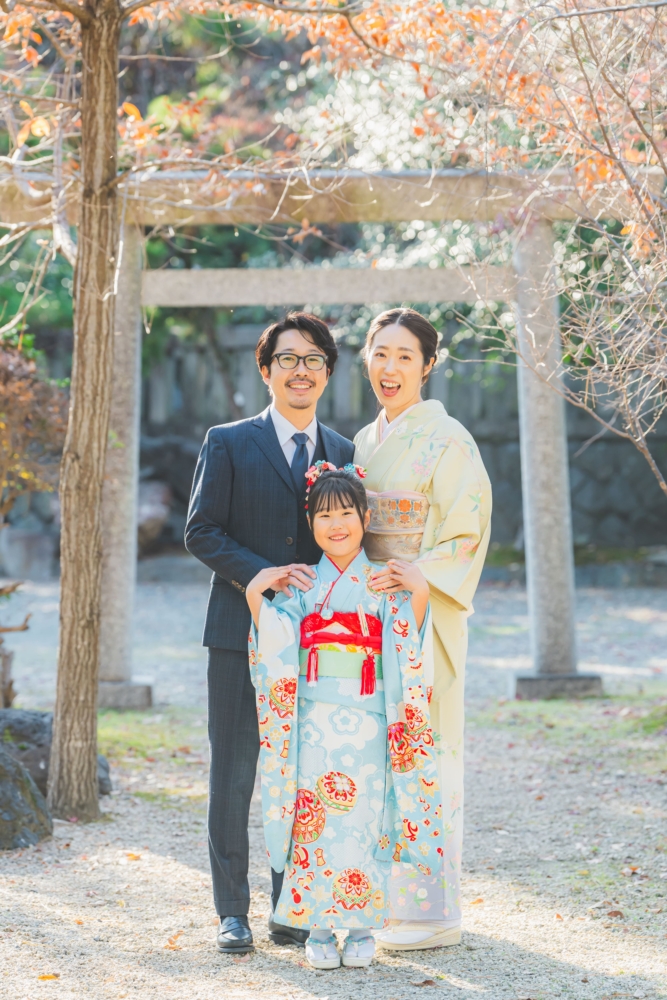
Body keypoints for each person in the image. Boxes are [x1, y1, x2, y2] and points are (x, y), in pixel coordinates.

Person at [185, 313, 354, 955]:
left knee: (303, 772)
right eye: (287, 359)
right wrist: (260, 574)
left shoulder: (345, 452)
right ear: (266, 370)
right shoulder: (228, 441)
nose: (300, 370)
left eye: (313, 359)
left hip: (319, 641)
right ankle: (232, 911)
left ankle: (292, 906)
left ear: (327, 372)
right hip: (239, 631)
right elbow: (200, 530)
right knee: (234, 774)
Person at [246, 465, 444, 970]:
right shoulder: (302, 585)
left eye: (346, 514)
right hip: (312, 721)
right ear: (310, 522)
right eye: (324, 515)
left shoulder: (381, 583)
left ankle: (360, 927)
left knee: (365, 823)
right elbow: (277, 645)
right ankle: (317, 926)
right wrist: (254, 595)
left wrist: (419, 593)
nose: (336, 525)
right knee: (312, 823)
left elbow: (405, 647)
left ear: (366, 518)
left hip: (370, 721)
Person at [354, 308, 492, 952]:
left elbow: (468, 530)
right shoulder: (362, 442)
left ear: (428, 365)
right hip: (364, 613)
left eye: (405, 356)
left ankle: (432, 912)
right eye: (380, 353)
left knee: (423, 748)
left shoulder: (449, 439)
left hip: (419, 609)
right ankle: (381, 902)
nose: (390, 367)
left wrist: (418, 576)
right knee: (373, 752)